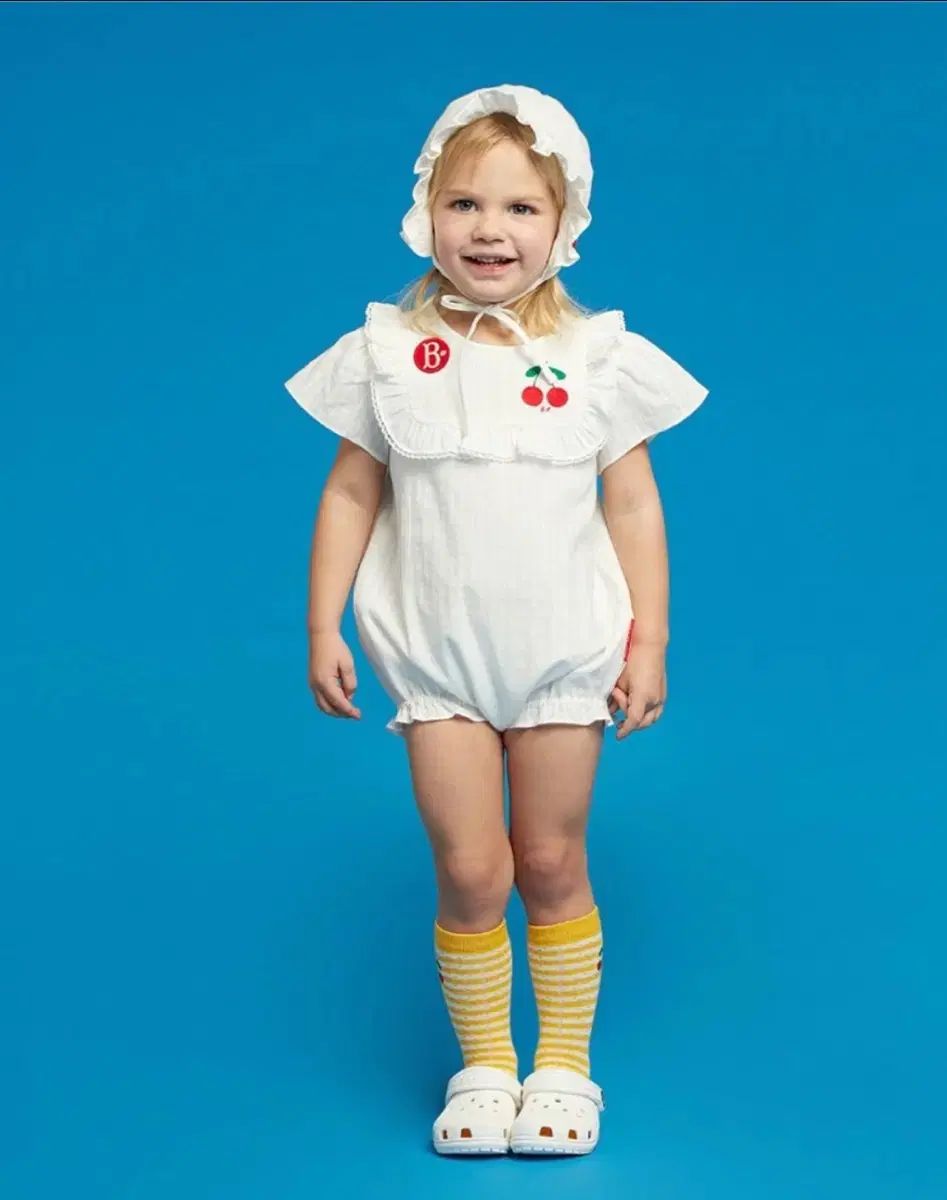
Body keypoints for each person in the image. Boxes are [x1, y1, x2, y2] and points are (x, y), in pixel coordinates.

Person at [284, 83, 709, 1157]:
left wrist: (650, 643)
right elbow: (350, 494)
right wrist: (323, 625)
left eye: (522, 208)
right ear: (425, 213)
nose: (490, 229)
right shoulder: (386, 352)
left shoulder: (600, 358)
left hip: (565, 658)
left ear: (564, 224)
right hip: (437, 662)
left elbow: (633, 506)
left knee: (551, 857)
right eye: (465, 203)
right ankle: (484, 1066)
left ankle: (563, 1065)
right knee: (473, 868)